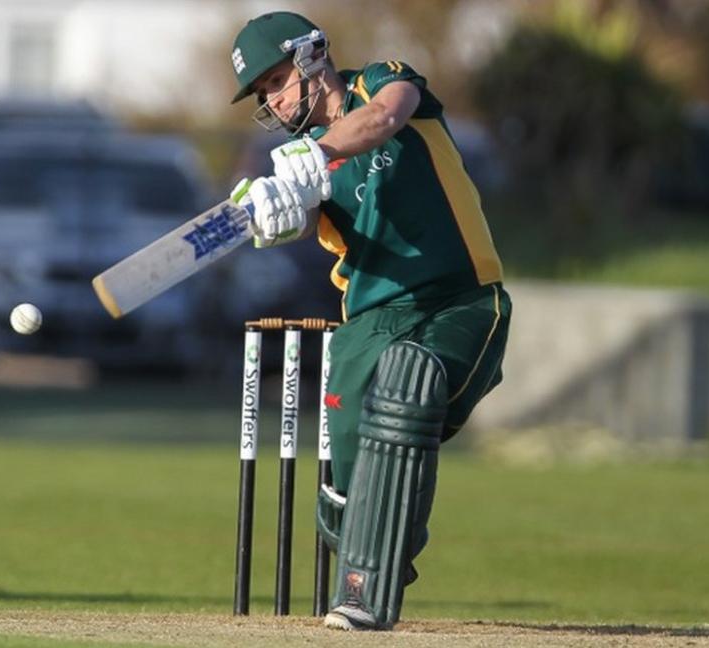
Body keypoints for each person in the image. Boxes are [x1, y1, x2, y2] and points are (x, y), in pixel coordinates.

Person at [227, 11, 511, 631]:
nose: (273, 101)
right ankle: (369, 545)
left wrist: (318, 151)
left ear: (311, 57)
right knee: (351, 493)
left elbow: (385, 118)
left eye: (277, 80)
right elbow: (298, 219)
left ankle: (371, 582)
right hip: (367, 326)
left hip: (462, 301)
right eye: (263, 94)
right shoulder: (298, 165)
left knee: (409, 389)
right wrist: (268, 213)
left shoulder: (381, 81)